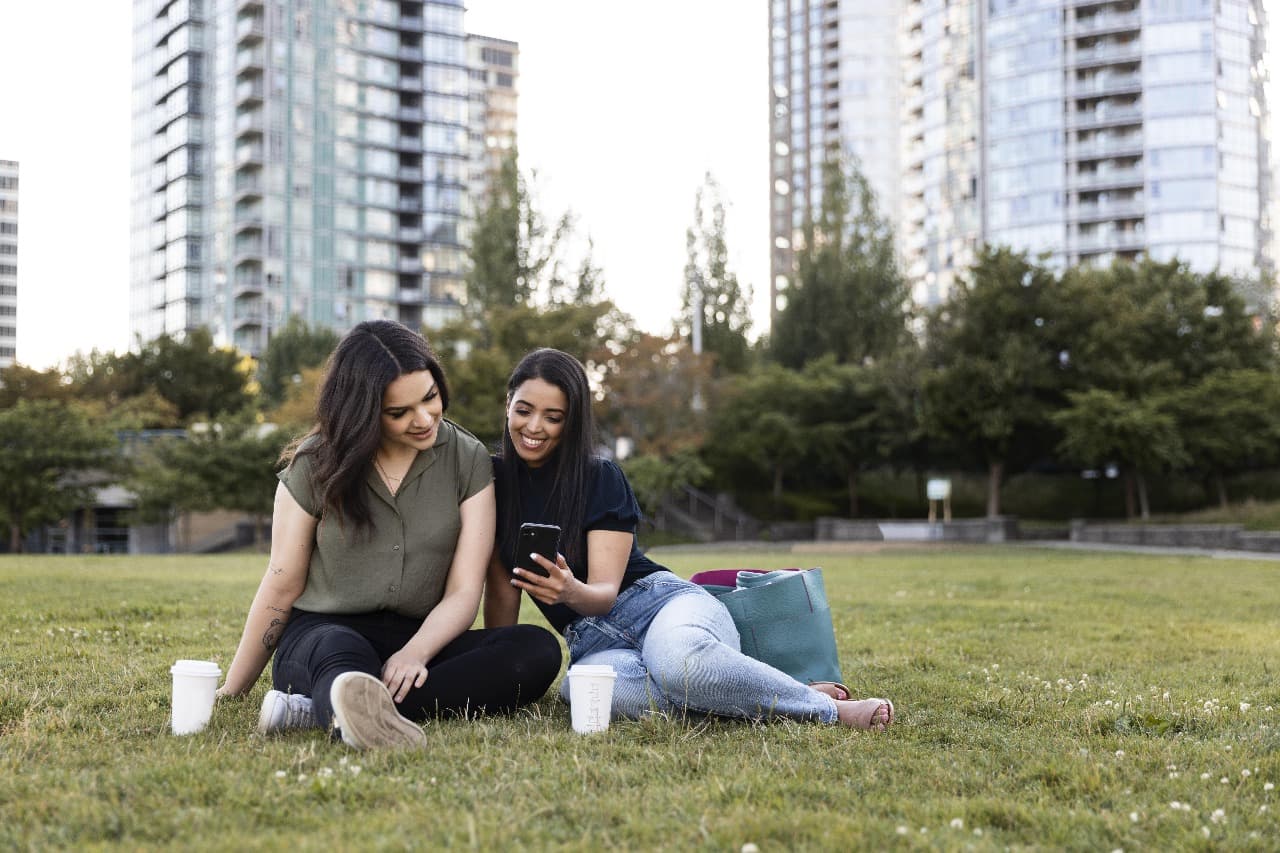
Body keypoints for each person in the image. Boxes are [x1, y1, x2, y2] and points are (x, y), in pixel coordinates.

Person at [484, 348, 894, 731]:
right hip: (593, 642)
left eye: (553, 416)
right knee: (584, 692)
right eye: (524, 410)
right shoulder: (493, 485)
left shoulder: (599, 477)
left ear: (571, 422)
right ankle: (747, 692)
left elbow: (606, 594)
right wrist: (499, 670)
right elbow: (503, 593)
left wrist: (569, 589)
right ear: (508, 405)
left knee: (679, 664)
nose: (534, 427)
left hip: (660, 606)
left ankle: (824, 708)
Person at [218, 321, 562, 749]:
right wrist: (233, 690)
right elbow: (281, 583)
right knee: (340, 655)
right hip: (323, 634)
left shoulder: (468, 459)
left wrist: (416, 653)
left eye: (430, 398)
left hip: (421, 639)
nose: (423, 419)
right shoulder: (313, 464)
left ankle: (323, 710)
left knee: (535, 649)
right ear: (362, 412)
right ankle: (346, 697)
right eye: (399, 413)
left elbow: (463, 591)